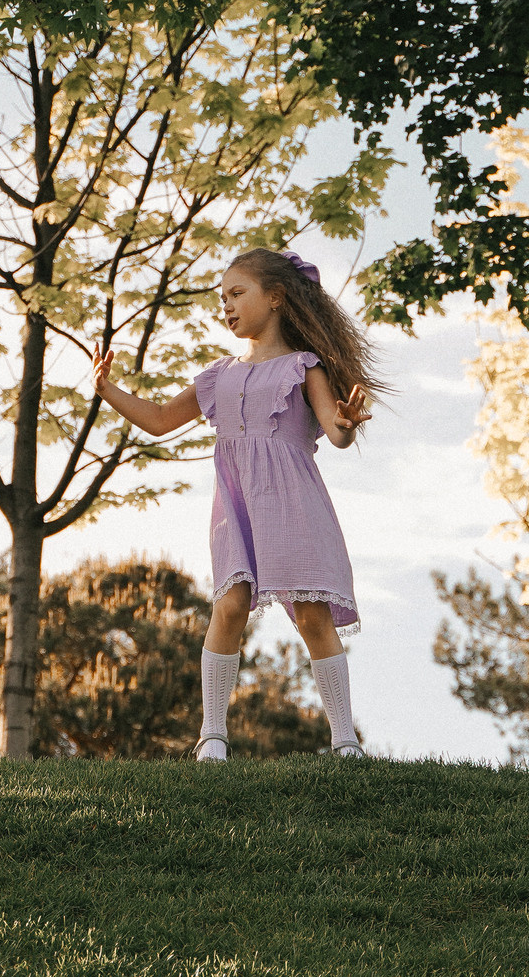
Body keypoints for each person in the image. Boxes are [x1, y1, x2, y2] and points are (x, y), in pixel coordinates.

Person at [94, 248, 382, 760]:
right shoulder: (217, 376)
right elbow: (160, 420)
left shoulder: (304, 366)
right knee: (229, 607)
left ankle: (344, 742)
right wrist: (106, 389)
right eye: (220, 297)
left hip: (294, 507)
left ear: (276, 298)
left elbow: (335, 434)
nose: (225, 305)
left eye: (236, 293)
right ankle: (212, 737)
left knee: (313, 615)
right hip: (237, 509)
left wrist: (347, 420)